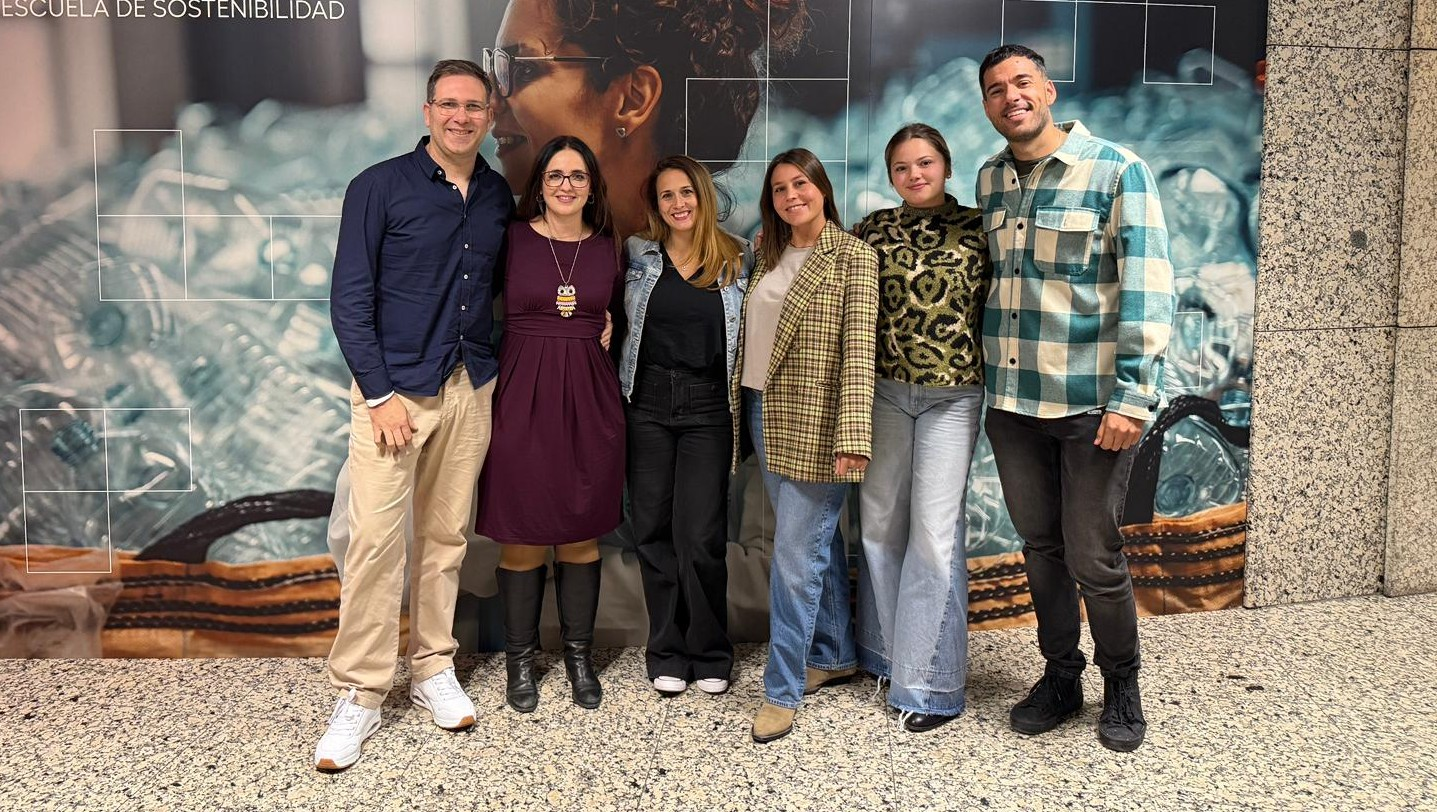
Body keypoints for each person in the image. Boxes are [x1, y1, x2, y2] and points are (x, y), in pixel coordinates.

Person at [975, 44, 1175, 753]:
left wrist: (1133, 398)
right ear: (987, 105)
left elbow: (1149, 285)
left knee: (1094, 556)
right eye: (995, 89)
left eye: (1022, 82)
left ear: (1049, 90)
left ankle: (1121, 681)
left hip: (1092, 406)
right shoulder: (991, 179)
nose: (1011, 96)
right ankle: (1061, 676)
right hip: (1012, 404)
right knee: (1040, 548)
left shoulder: (1116, 170)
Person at [316, 59, 512, 771]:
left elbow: (504, 291)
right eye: (449, 105)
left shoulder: (496, 195)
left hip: (469, 387)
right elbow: (349, 299)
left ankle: (432, 667)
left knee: (445, 538)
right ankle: (361, 693)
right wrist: (378, 395)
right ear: (427, 112)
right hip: (394, 393)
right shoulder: (378, 187)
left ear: (489, 116)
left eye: (474, 107)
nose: (461, 117)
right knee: (374, 543)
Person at [474, 135, 625, 714]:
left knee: (581, 534)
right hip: (522, 397)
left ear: (592, 187)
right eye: (556, 175)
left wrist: (610, 327)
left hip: (590, 398)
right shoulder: (511, 240)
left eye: (577, 176)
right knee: (523, 533)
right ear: (539, 185)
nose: (566, 185)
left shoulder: (611, 247)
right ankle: (521, 660)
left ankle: (579, 657)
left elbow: (625, 315)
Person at [735, 148, 879, 743]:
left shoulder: (853, 257)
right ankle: (834, 654)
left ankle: (782, 689)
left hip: (818, 424)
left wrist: (854, 436)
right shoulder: (766, 253)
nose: (791, 196)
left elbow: (860, 353)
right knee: (813, 546)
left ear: (822, 188)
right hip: (761, 409)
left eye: (801, 184)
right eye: (779, 188)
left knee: (795, 560)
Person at [853, 123, 990, 733]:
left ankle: (931, 685)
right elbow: (827, 275)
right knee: (879, 526)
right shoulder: (873, 230)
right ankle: (891, 657)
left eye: (925, 162)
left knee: (934, 535)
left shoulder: (980, 228)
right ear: (891, 176)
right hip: (885, 393)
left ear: (947, 166)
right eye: (902, 167)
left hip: (953, 398)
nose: (915, 174)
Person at [482, 0, 806, 236]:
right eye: (495, 66)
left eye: (524, 69)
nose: (492, 102)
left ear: (633, 98)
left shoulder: (731, 284)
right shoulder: (494, 259)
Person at [619, 156, 754, 697]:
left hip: (708, 408)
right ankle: (667, 651)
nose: (678, 204)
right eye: (667, 195)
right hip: (647, 403)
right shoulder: (638, 254)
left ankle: (710, 651)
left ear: (703, 195)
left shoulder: (738, 257)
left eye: (686, 192)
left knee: (700, 537)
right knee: (652, 531)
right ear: (656, 206)